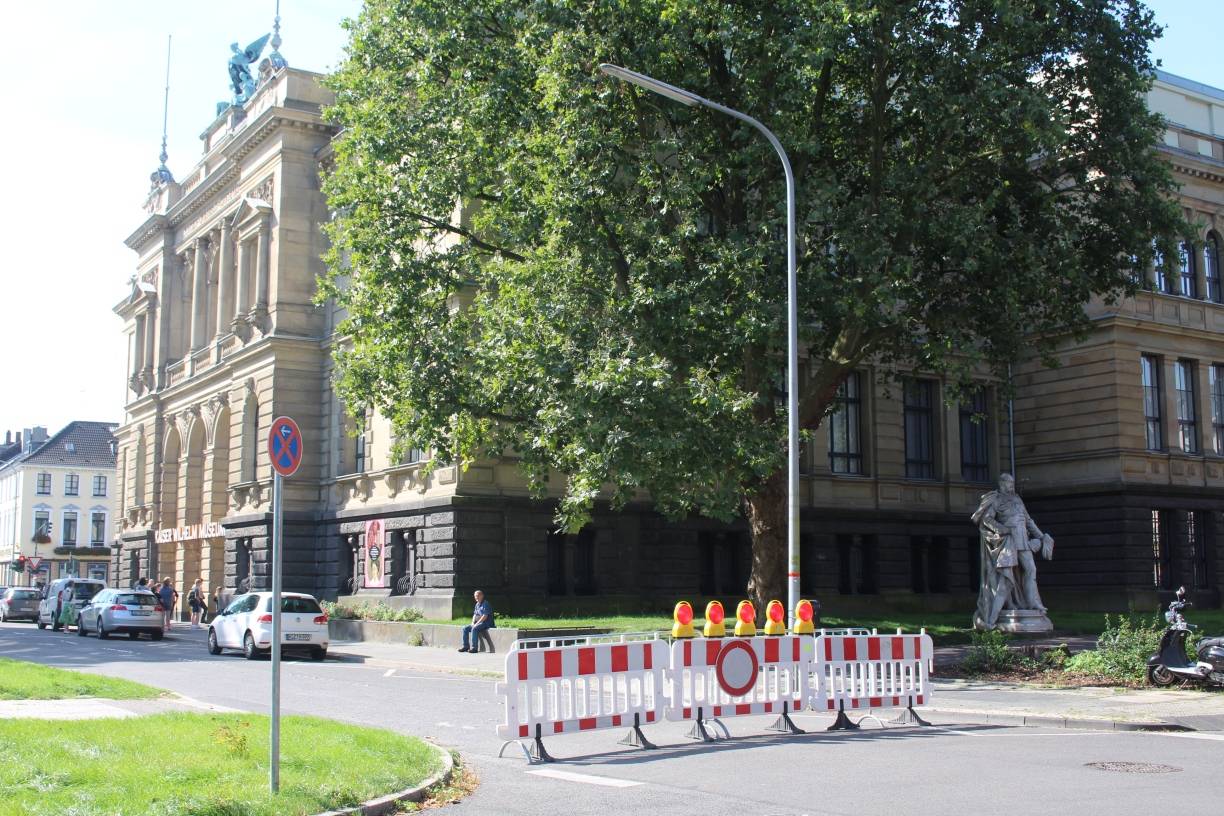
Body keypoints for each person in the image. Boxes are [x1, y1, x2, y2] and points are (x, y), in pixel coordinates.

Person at [972, 473, 1054, 628]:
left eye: (1012, 483)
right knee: (1007, 578)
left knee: (1031, 570)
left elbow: (1028, 521)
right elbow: (986, 519)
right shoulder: (996, 499)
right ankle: (992, 618)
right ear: (1002, 483)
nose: (1012, 485)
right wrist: (1002, 529)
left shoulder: (1017, 499)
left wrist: (1042, 537)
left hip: (1023, 542)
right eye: (1009, 483)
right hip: (1008, 543)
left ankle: (1034, 603)